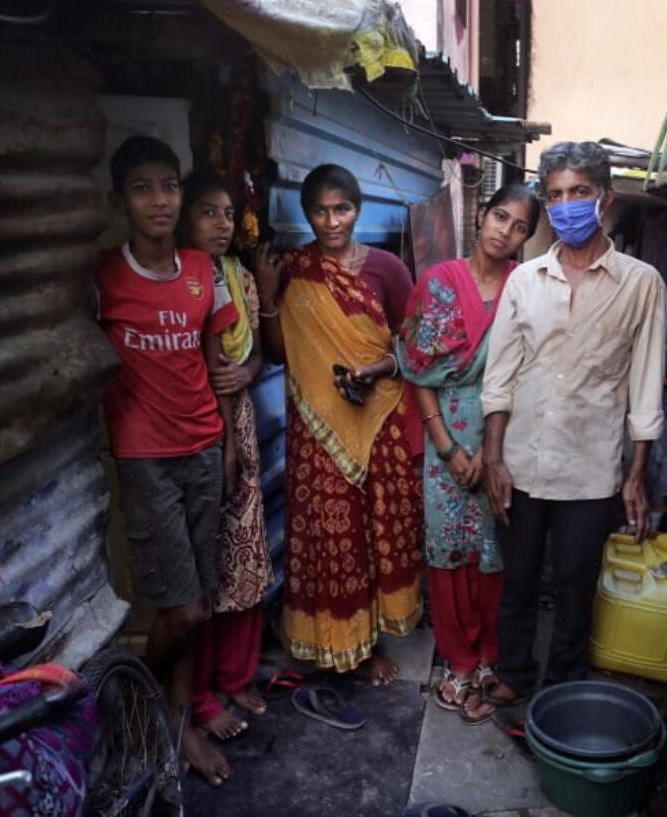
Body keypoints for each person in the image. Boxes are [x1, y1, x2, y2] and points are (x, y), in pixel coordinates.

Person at [470, 141, 667, 718]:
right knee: (520, 581)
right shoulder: (525, 280)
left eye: (579, 192)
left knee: (577, 589)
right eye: (555, 195)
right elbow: (500, 375)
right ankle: (514, 675)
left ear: (604, 197)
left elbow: (646, 383)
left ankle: (561, 689)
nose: (567, 206)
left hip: (591, 468)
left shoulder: (641, 283)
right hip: (523, 462)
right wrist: (494, 458)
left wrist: (636, 474)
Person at [93, 136, 239, 784]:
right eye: (143, 187)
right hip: (145, 458)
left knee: (199, 602)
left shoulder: (202, 271)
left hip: (204, 449)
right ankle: (151, 706)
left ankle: (179, 723)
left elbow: (217, 369)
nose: (160, 200)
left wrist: (230, 446)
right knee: (178, 610)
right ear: (120, 200)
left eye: (169, 187)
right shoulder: (102, 279)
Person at [253, 163, 423, 683]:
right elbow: (282, 350)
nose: (332, 221)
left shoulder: (388, 269)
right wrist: (265, 296)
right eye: (320, 211)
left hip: (380, 422)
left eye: (341, 208)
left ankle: (370, 644)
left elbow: (411, 343)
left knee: (375, 533)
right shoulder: (295, 269)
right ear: (306, 213)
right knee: (332, 534)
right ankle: (330, 637)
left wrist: (376, 370)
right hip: (317, 427)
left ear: (358, 209)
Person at [396, 185, 541, 725]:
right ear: (482, 216)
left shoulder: (524, 290)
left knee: (493, 551)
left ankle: (489, 658)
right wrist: (446, 446)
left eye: (519, 225)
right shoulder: (437, 282)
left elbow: (527, 370)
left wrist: (488, 448)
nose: (504, 230)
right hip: (445, 434)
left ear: (527, 237)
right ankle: (457, 660)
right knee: (447, 549)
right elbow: (417, 370)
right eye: (499, 216)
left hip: (505, 433)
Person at [178, 171, 273, 781]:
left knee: (245, 559)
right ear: (185, 218)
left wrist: (248, 372)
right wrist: (222, 441)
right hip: (203, 431)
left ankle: (236, 679)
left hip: (239, 420)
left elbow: (259, 349)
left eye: (227, 212)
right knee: (205, 572)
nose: (220, 222)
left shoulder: (237, 276)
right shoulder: (183, 280)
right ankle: (202, 696)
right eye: (207, 212)